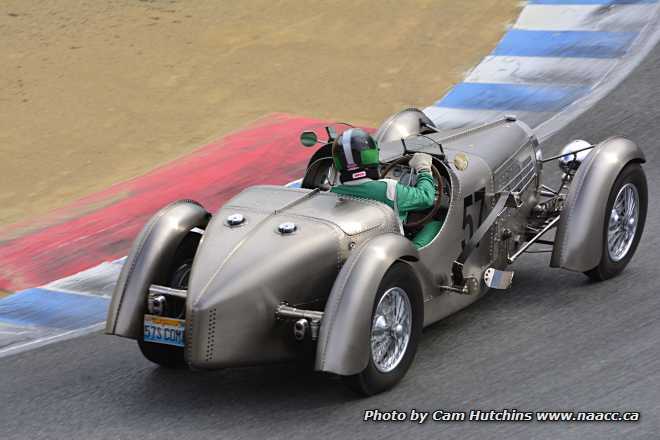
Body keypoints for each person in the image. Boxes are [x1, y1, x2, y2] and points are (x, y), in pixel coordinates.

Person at [329, 128, 443, 248]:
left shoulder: (332, 192)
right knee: (435, 225)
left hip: (356, 247)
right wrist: (423, 168)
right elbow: (427, 198)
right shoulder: (389, 189)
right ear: (370, 155)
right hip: (392, 252)